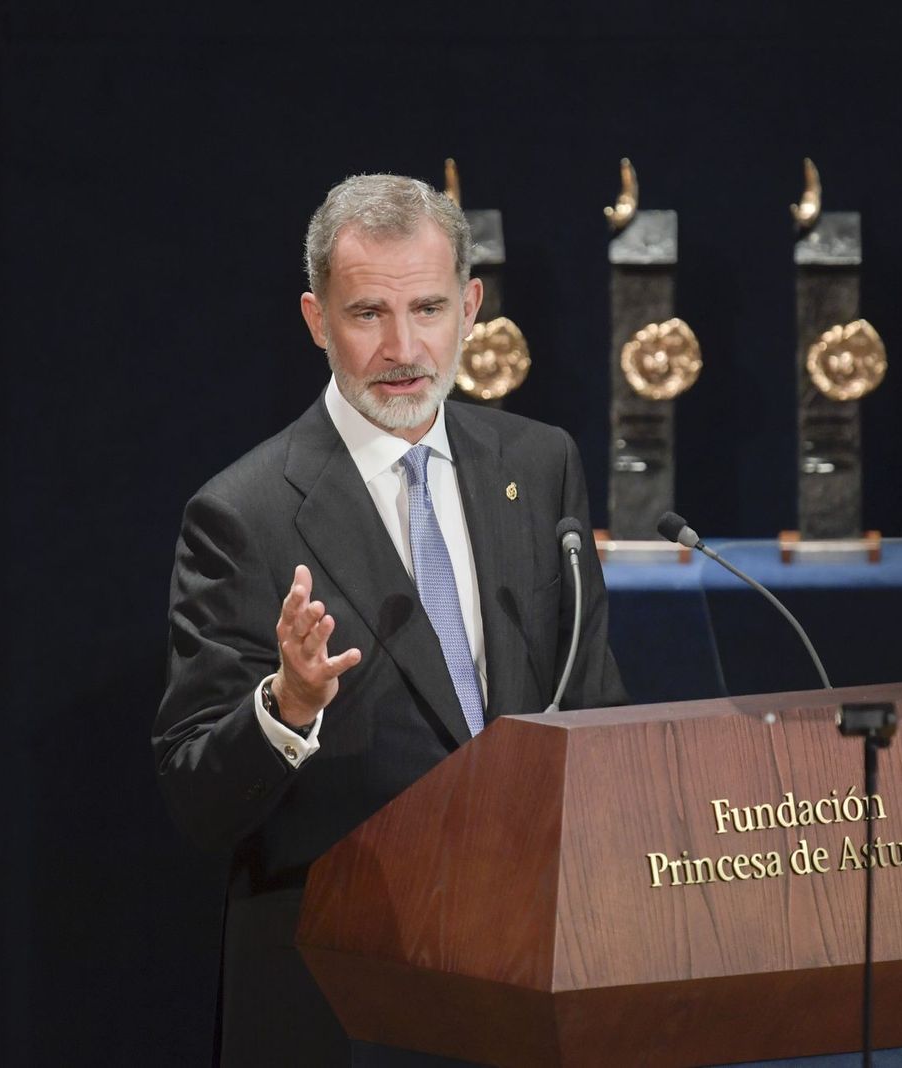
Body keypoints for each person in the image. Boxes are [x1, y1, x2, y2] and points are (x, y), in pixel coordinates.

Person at [153, 174, 628, 1067]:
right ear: (316, 319)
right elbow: (195, 796)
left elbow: (595, 710)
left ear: (470, 308)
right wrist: (287, 708)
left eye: (429, 308)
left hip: (526, 982)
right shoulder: (243, 514)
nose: (404, 348)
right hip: (340, 1001)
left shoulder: (540, 466)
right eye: (368, 313)